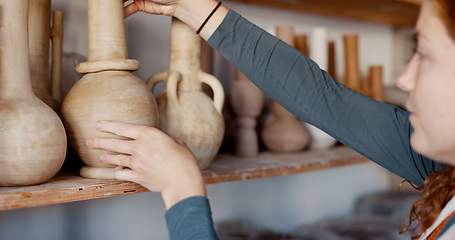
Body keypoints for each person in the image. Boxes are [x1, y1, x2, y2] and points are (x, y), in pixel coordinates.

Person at [84, 0, 455, 239]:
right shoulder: (441, 162)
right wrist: (198, 10)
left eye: (424, 53)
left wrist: (182, 190)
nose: (405, 79)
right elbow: (324, 100)